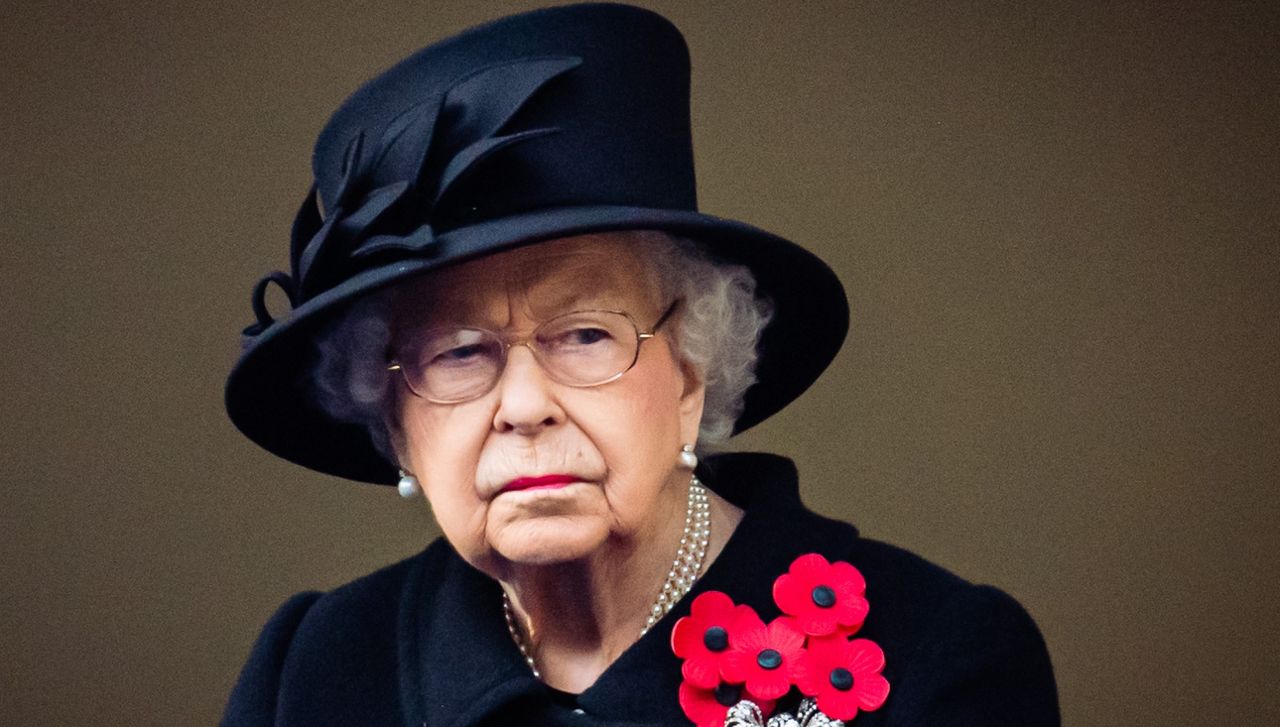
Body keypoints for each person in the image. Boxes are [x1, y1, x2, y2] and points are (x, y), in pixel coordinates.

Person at [221, 4, 1059, 726]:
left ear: (693, 371)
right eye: (459, 351)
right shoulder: (311, 672)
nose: (523, 405)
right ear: (397, 422)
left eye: (584, 334)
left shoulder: (941, 656)